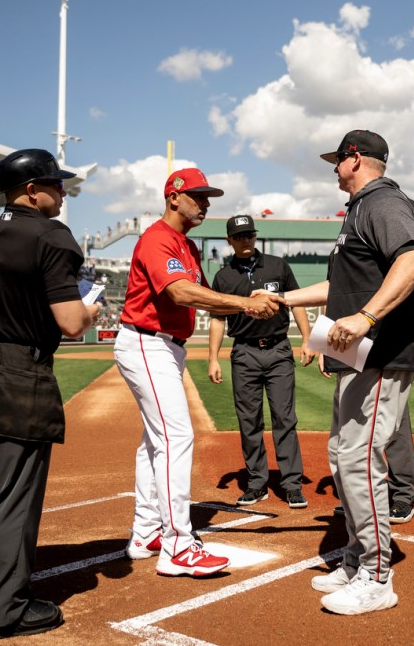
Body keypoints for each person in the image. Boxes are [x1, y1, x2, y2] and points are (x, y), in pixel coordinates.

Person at [0, 149, 100, 638]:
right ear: (31, 190)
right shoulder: (51, 235)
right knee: (13, 495)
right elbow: (71, 323)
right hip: (18, 371)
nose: (63, 191)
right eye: (56, 184)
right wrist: (92, 307)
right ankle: (3, 610)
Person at [271, 130, 414, 615]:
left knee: (359, 459)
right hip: (357, 357)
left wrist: (367, 318)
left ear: (355, 159)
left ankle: (378, 576)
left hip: (380, 354)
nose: (333, 169)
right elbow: (341, 284)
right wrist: (282, 299)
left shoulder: (383, 201)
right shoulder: (359, 209)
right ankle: (359, 557)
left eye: (337, 161)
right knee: (342, 455)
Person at [114, 168, 280, 577]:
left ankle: (146, 532)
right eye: (198, 196)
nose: (205, 204)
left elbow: (208, 301)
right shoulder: (156, 238)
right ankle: (177, 546)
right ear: (173, 197)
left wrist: (251, 299)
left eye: (207, 197)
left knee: (155, 442)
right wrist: (245, 305)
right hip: (147, 341)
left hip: (165, 346)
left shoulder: (184, 245)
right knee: (176, 437)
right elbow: (179, 292)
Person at [208, 214, 315, 509]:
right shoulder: (223, 276)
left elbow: (295, 304)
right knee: (249, 421)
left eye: (249, 235)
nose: (245, 240)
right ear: (229, 240)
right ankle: (257, 484)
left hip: (279, 350)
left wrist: (307, 340)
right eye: (239, 236)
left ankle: (292, 484)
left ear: (256, 237)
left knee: (284, 418)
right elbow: (218, 317)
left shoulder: (278, 265)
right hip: (244, 353)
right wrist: (212, 357)